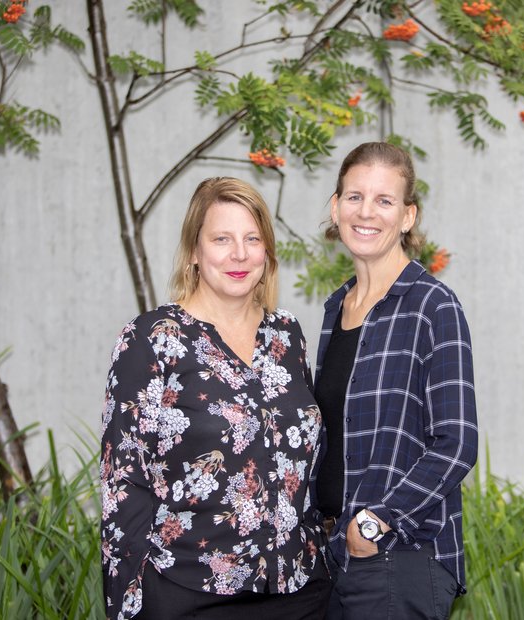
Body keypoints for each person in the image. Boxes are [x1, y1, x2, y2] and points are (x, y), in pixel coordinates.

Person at [100, 177, 331, 620]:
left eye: (252, 239)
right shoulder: (151, 338)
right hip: (189, 591)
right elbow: (122, 481)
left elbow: (305, 458)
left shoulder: (287, 334)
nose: (239, 254)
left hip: (298, 590)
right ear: (194, 252)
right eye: (222, 239)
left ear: (267, 252)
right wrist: (129, 600)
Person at [314, 142, 478, 620]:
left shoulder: (433, 306)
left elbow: (457, 442)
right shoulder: (335, 310)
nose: (366, 212)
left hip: (398, 557)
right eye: (354, 197)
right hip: (334, 560)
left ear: (407, 217)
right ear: (335, 206)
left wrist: (376, 522)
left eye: (384, 201)